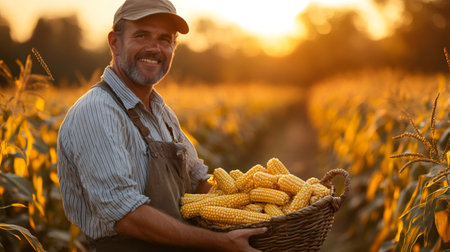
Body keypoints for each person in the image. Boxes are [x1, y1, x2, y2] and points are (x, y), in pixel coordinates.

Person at [56, 0, 267, 251]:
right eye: (142, 35)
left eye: (165, 39)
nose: (154, 48)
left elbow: (197, 182)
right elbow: (126, 216)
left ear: (174, 47)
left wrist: (265, 203)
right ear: (114, 43)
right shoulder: (97, 111)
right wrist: (220, 242)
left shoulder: (162, 114)